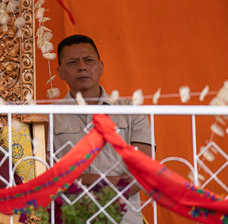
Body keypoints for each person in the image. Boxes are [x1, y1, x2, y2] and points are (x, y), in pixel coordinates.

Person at [53, 34, 153, 224]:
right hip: (71, 217)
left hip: (124, 218)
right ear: (60, 72)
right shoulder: (48, 117)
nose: (82, 66)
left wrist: (88, 181)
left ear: (100, 66)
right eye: (73, 62)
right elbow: (51, 176)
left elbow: (144, 170)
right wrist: (114, 181)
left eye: (88, 60)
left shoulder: (131, 111)